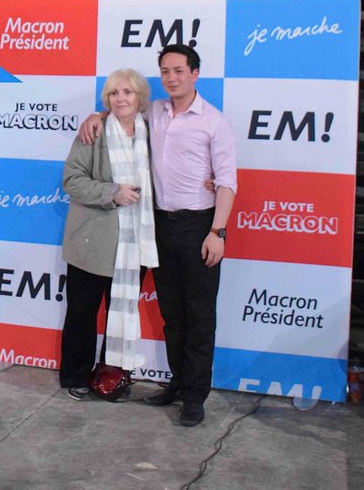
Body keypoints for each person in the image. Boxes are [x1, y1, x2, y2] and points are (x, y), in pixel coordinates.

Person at [79, 45, 238, 427]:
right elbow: (121, 111)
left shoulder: (214, 122)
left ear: (195, 74)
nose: (171, 78)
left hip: (200, 226)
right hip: (159, 226)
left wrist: (218, 231)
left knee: (200, 316)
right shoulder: (155, 113)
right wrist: (96, 115)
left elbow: (228, 183)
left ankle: (195, 397)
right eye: (165, 71)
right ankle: (177, 385)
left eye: (179, 71)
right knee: (172, 315)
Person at [60, 68, 159, 399]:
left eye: (128, 92)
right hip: (92, 242)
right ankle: (74, 377)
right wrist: (112, 192)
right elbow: (72, 180)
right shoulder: (94, 132)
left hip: (135, 243)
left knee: (121, 312)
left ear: (140, 97)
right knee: (82, 313)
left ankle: (109, 377)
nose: (121, 99)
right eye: (114, 93)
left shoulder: (153, 133)